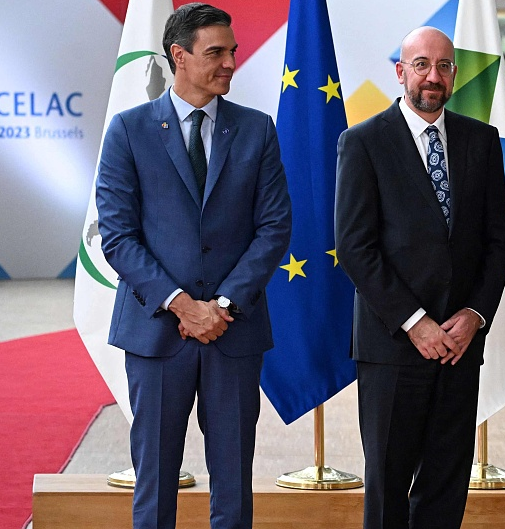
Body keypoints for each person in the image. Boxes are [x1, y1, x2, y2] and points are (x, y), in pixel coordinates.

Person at [96, 4, 292, 528]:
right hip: (157, 334)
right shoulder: (128, 130)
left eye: (233, 51)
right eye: (216, 52)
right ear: (178, 56)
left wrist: (221, 306)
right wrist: (184, 306)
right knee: (155, 483)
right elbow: (118, 237)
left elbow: (274, 229)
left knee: (234, 484)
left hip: (234, 330)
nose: (230, 62)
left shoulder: (257, 130)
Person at [334, 26, 505, 529]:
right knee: (388, 485)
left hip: (459, 345)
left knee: (446, 484)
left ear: (455, 73)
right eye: (421, 65)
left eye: (444, 66)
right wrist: (415, 322)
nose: (434, 76)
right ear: (400, 72)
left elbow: (497, 241)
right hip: (393, 347)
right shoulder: (363, 142)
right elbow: (355, 247)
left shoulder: (482, 140)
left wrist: (474, 315)